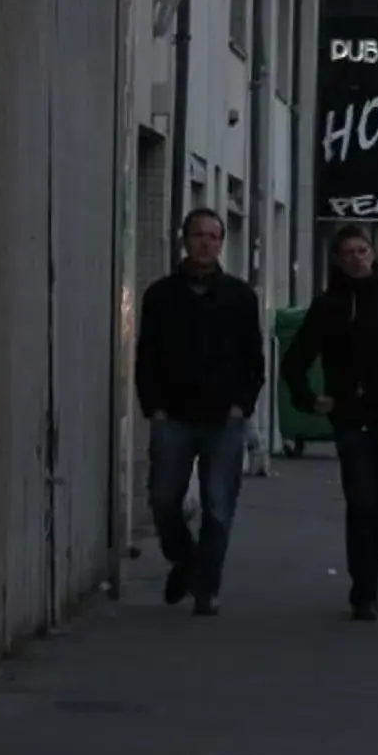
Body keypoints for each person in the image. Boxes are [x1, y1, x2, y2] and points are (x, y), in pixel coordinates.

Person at [279, 224, 378, 618]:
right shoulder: (329, 306)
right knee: (362, 499)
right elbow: (295, 361)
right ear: (337, 259)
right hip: (351, 418)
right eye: (348, 252)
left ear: (373, 253)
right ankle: (365, 589)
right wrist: (310, 400)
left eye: (362, 250)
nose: (356, 258)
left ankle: (371, 565)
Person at [134, 209, 265, 615]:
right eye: (198, 235)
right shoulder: (160, 295)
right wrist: (152, 405)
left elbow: (253, 359)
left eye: (213, 236)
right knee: (163, 500)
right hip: (172, 414)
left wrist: (241, 405)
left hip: (224, 418)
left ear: (221, 243)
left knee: (218, 506)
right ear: (184, 240)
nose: (206, 243)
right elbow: (147, 355)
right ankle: (186, 560)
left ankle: (206, 587)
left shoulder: (240, 297)